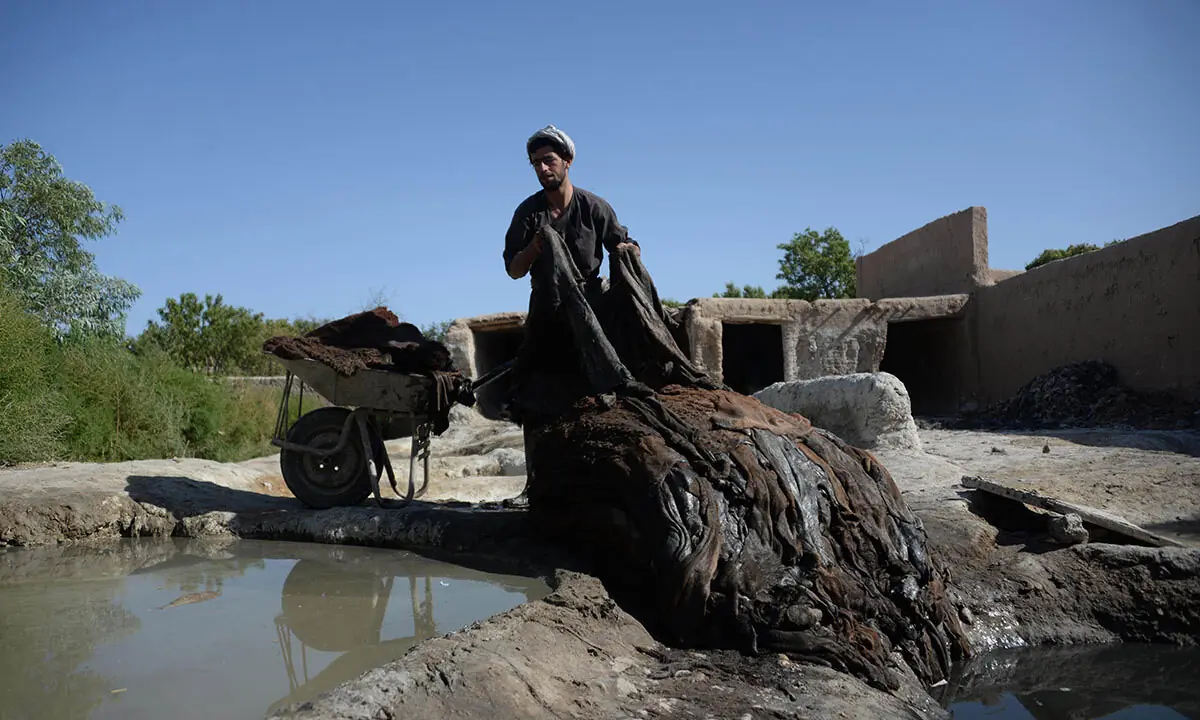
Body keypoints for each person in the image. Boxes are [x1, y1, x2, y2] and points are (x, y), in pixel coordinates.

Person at [500, 125, 640, 507]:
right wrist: (536, 245)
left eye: (549, 160)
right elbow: (513, 268)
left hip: (592, 315)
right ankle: (536, 487)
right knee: (531, 395)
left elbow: (622, 245)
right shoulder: (528, 212)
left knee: (597, 393)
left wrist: (630, 250)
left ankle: (596, 486)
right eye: (535, 163)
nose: (543, 168)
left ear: (567, 161)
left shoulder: (595, 208)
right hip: (546, 312)